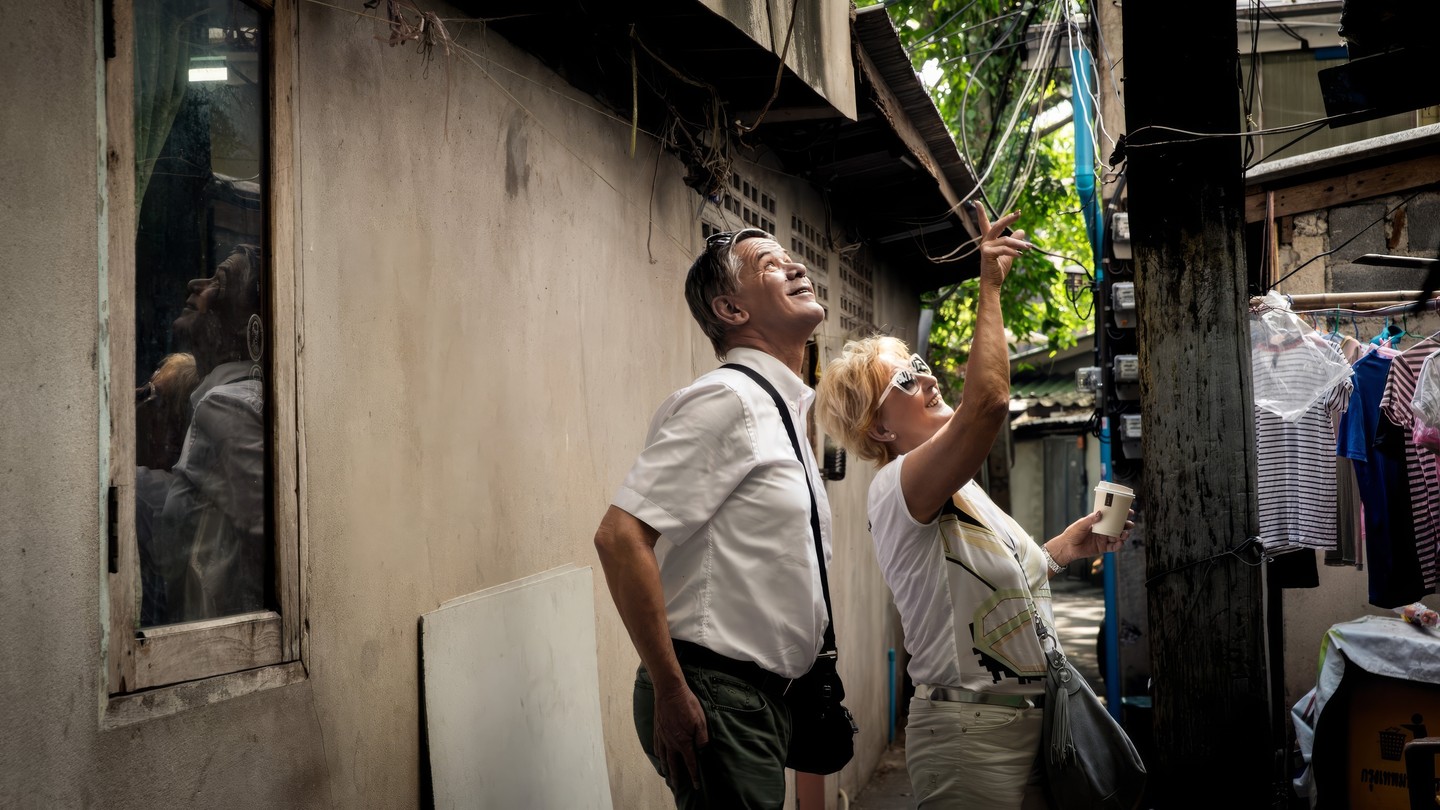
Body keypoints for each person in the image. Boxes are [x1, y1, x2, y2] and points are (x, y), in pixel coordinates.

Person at [815, 207, 1132, 809]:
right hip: (971, 734)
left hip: (1030, 725)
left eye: (919, 365)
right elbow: (987, 403)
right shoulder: (897, 487)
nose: (927, 378)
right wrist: (988, 286)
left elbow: (994, 585)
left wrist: (1065, 548)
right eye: (905, 380)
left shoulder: (961, 486)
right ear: (878, 428)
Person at [593, 227, 831, 809]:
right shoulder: (730, 399)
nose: (796, 266)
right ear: (731, 308)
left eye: (792, 258)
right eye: (771, 264)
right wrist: (674, 691)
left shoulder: (782, 408)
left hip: (758, 699)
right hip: (716, 694)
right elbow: (620, 538)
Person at [136, 244, 267, 625]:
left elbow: (270, 541)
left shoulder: (228, 406)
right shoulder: (223, 397)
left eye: (219, 284)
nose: (196, 285)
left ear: (249, 326)